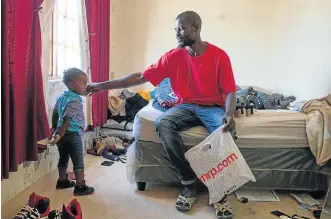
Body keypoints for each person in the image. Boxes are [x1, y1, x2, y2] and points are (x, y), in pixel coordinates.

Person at [88, 11, 236, 219]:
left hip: (212, 106)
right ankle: (188, 183)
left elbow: (230, 90)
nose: (177, 34)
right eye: (175, 30)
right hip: (185, 106)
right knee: (163, 122)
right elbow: (140, 77)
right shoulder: (173, 56)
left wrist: (229, 114)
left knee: (225, 132)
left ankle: (219, 192)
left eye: (182, 29)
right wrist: (102, 86)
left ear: (196, 27)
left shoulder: (219, 55)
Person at [49, 67, 95, 196]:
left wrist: (54, 129)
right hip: (72, 135)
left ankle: (62, 181)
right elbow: (67, 119)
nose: (86, 86)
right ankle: (80, 186)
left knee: (63, 158)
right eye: (83, 83)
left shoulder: (62, 96)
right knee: (78, 160)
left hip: (62, 136)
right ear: (72, 84)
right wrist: (60, 133)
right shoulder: (75, 100)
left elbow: (55, 112)